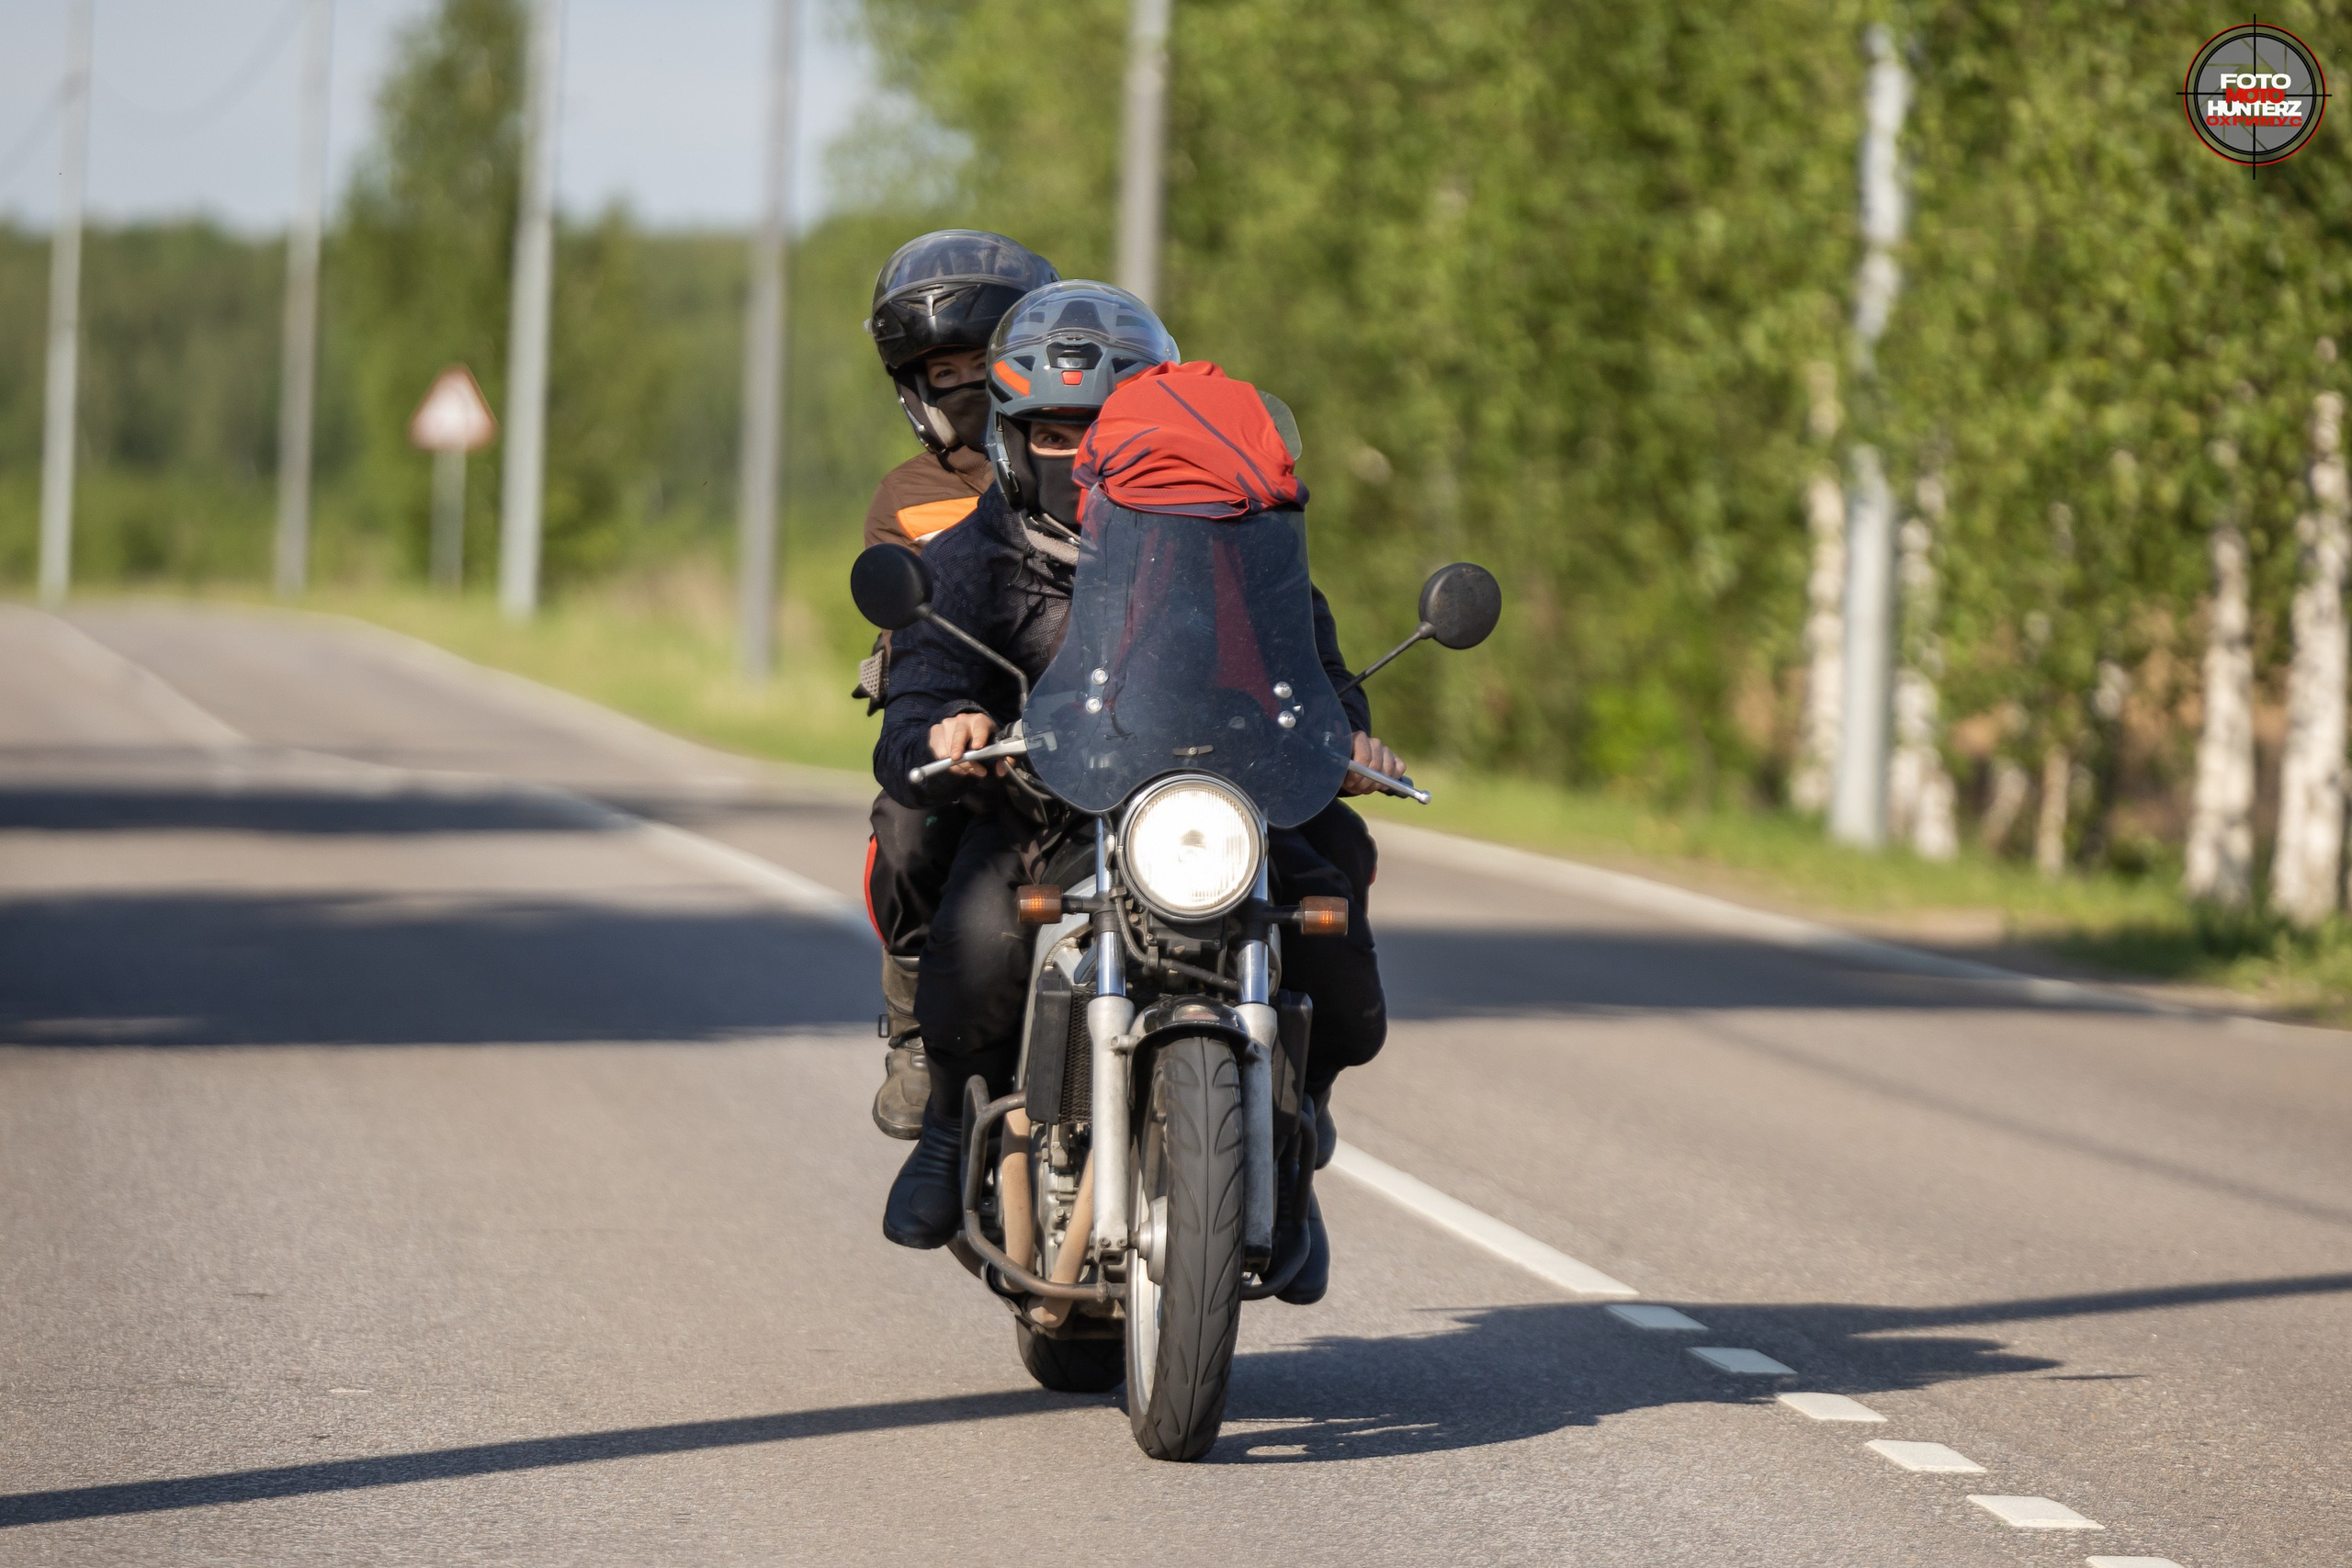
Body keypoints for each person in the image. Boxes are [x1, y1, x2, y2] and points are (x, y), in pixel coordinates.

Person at [869, 280, 1403, 1304]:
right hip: (1044, 809)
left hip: (1202, 808)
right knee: (979, 937)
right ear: (1013, 434)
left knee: (1331, 889)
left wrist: (1341, 735)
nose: (1082, 454)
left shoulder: (1229, 536)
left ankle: (1293, 1139)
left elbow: (1307, 671)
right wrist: (946, 726)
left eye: (1104, 429)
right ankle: (945, 1125)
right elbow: (924, 685)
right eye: (1056, 432)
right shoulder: (971, 553)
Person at [855, 230, 1059, 1141]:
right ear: (914, 387)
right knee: (905, 827)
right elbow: (910, 637)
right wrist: (941, 717)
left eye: (990, 362)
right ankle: (913, 1026)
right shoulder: (908, 495)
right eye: (947, 370)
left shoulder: (1098, 472)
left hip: (1094, 722)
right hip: (970, 731)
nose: (971, 386)